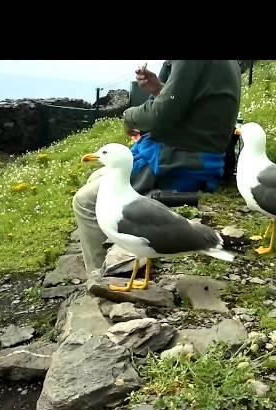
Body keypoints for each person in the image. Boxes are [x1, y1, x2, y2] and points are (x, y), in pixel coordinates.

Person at [72, 60, 242, 277]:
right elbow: (191, 103)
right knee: (99, 176)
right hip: (199, 151)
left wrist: (129, 116)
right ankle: (116, 246)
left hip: (182, 160)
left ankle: (99, 276)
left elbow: (163, 112)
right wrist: (161, 88)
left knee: (85, 201)